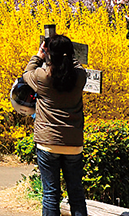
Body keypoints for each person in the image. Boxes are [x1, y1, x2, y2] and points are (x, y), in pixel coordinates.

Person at [22, 33, 88, 216]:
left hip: (48, 143)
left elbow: (27, 73)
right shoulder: (80, 77)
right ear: (70, 54)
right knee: (76, 193)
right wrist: (70, 55)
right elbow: (76, 66)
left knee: (50, 194)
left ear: (50, 53)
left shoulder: (43, 76)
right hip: (73, 144)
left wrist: (39, 54)